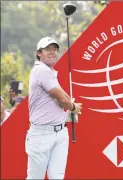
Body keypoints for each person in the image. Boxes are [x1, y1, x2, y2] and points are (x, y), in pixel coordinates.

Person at [25, 37, 82, 179]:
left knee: (57, 178)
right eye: (47, 49)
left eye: (54, 49)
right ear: (39, 53)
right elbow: (62, 98)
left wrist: (67, 107)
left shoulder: (49, 72)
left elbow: (62, 97)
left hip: (60, 133)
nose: (52, 53)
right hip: (41, 135)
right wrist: (73, 107)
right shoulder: (41, 70)